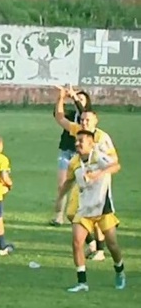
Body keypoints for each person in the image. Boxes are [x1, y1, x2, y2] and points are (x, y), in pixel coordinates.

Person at [60, 130, 125, 292]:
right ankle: (82, 282)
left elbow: (116, 166)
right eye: (76, 141)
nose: (77, 144)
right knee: (77, 242)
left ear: (91, 144)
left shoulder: (98, 157)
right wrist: (59, 198)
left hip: (103, 208)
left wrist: (98, 174)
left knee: (112, 245)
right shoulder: (74, 162)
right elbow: (69, 181)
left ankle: (119, 270)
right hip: (84, 209)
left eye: (81, 141)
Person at [50, 87, 91, 226]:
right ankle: (58, 216)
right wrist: (61, 98)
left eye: (81, 99)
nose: (77, 100)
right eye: (77, 98)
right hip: (66, 152)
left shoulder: (88, 118)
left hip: (81, 155)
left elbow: (83, 112)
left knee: (82, 187)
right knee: (62, 186)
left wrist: (74, 97)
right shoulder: (72, 115)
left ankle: (83, 216)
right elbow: (58, 115)